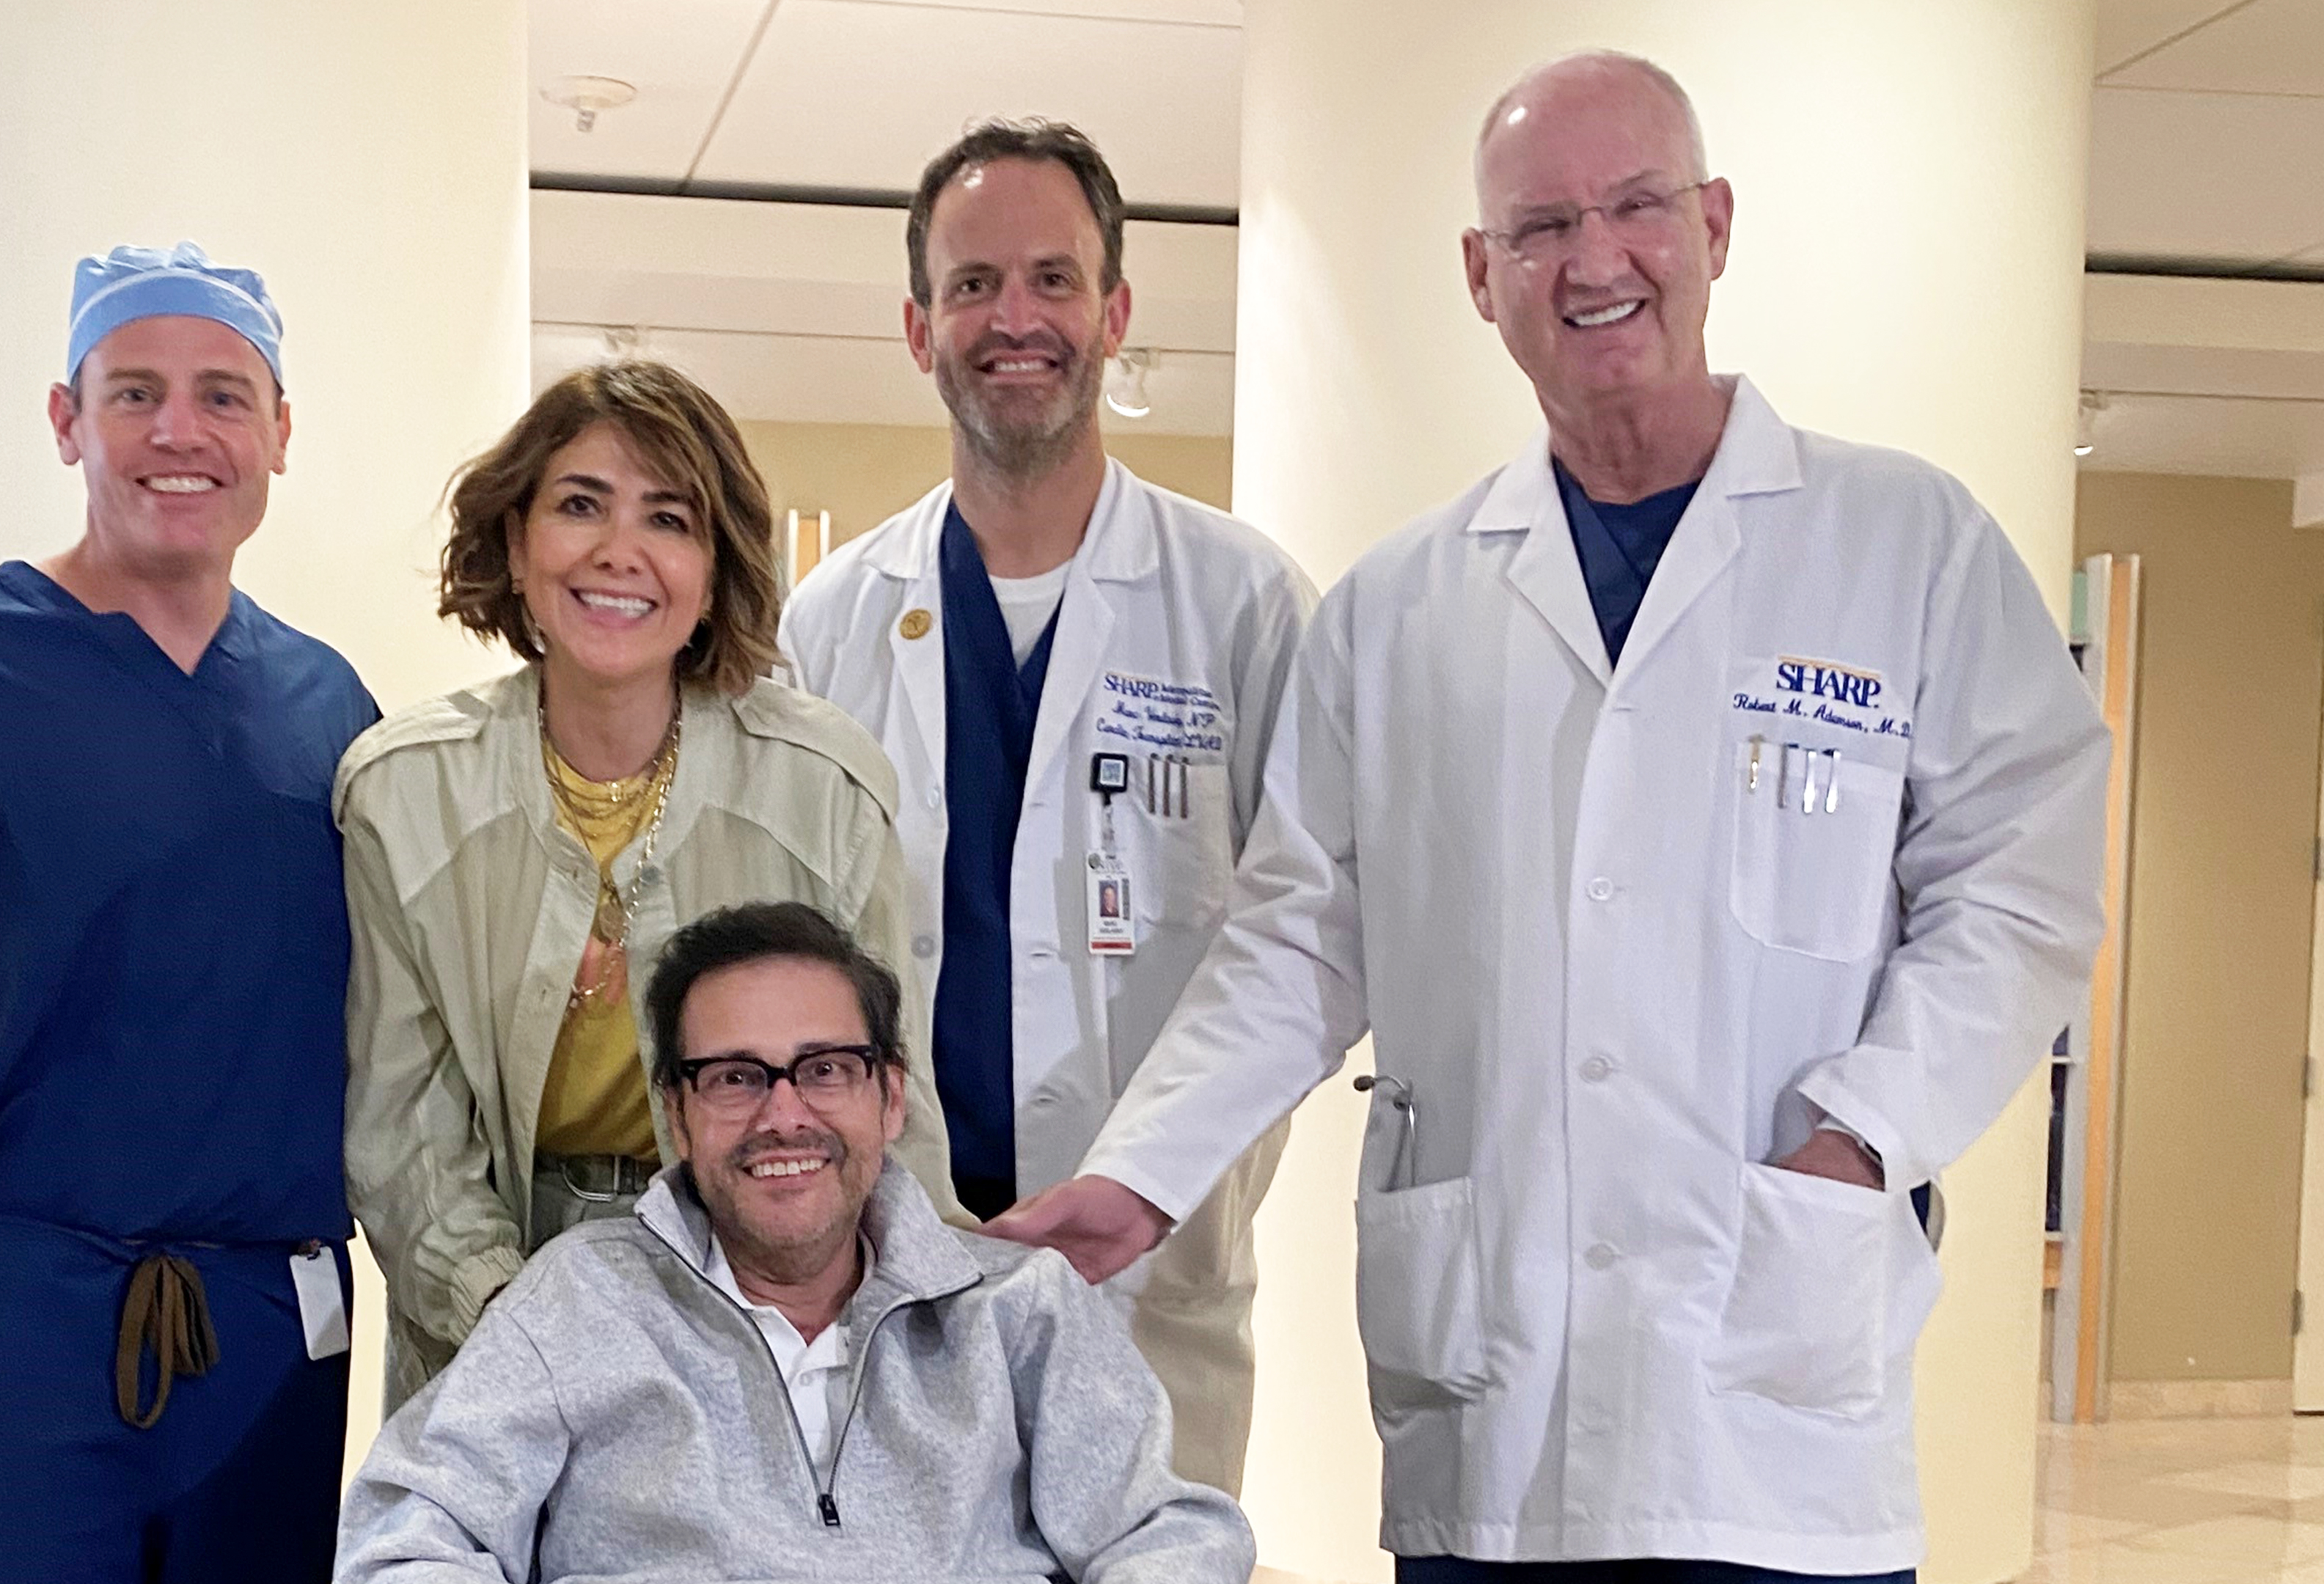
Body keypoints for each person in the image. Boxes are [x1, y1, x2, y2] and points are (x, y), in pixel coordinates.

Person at [995, 51, 2112, 1583]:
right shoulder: (1399, 608)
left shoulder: (1902, 543)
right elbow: (1298, 939)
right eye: (1539, 227)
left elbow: (2025, 890)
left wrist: (1865, 1137)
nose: (1595, 259)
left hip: (1771, 1398)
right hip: (1491, 1396)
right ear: (1481, 274)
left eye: (1636, 205)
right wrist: (1141, 1174)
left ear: (1714, 224)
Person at [0, 241, 378, 1580]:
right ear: (66, 420)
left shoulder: (332, 713)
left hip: (270, 1328)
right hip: (3, 1330)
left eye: (224, 395)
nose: (180, 431)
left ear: (280, 434)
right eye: (133, 390)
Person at [777, 118, 1313, 1494]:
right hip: (887, 1270)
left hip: (1153, 1268)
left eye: (1054, 280)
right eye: (973, 285)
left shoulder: (1242, 604)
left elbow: (1305, 934)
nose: (1015, 320)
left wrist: (1163, 1179)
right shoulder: (833, 621)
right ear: (919, 326)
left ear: (1117, 311)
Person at [340, 360, 960, 1408]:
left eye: (669, 518)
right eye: (581, 505)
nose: (619, 551)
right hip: (486, 1300)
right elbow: (405, 1135)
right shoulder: (405, 792)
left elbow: (887, 1102)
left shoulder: (823, 789)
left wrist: (921, 1333)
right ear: (516, 543)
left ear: (713, 572)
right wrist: (518, 1318)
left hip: (771, 1274)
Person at [336, 900, 1252, 1584]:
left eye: (824, 1071)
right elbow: (406, 1534)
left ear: (890, 1098)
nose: (783, 1116)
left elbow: (1170, 1536)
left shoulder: (1021, 1308)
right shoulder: (576, 1302)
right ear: (678, 1117)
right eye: (736, 1078)